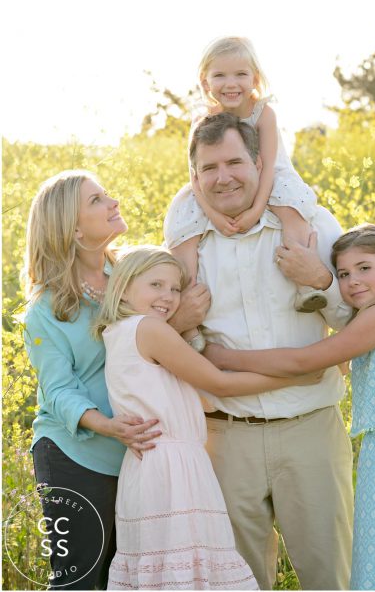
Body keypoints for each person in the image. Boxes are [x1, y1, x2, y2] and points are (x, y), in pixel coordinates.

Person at [165, 112, 354, 590]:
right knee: (235, 582)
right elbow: (158, 338)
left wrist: (320, 280)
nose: (222, 177)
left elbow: (354, 323)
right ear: (194, 176)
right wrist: (179, 321)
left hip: (309, 429)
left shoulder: (309, 224)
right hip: (225, 438)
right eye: (209, 168)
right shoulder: (186, 245)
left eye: (233, 162)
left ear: (259, 162)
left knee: (328, 577)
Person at [205, 224, 375, 591]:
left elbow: (305, 362)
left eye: (365, 268)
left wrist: (221, 355)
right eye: (344, 274)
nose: (352, 282)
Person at [93, 246, 321, 590]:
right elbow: (219, 384)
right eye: (156, 285)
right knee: (188, 572)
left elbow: (198, 395)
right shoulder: (148, 329)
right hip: (172, 467)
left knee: (173, 573)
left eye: (174, 288)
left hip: (154, 465)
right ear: (123, 287)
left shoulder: (119, 331)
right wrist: (297, 376)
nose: (168, 297)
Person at [24, 170, 210, 590]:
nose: (113, 203)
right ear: (71, 229)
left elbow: (151, 347)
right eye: (96, 201)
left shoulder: (129, 277)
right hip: (74, 456)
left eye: (107, 194)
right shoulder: (46, 309)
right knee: (80, 580)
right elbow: (57, 391)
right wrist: (107, 425)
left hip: (137, 453)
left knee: (128, 578)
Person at [165, 35, 328, 316]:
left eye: (240, 74)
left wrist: (255, 211)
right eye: (220, 75)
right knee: (183, 218)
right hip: (215, 182)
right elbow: (194, 175)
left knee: (291, 208)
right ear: (205, 82)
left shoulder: (264, 114)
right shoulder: (202, 119)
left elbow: (266, 166)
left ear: (255, 79)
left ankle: (306, 284)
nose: (231, 84)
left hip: (269, 174)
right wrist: (213, 215)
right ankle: (186, 303)